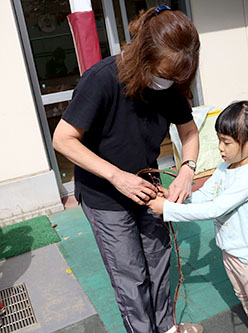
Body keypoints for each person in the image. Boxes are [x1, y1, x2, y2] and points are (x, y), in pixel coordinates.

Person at [52, 6, 202, 333]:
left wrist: (187, 170)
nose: (166, 83)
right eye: (162, 75)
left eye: (175, 78)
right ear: (143, 55)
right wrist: (117, 176)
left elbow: (189, 132)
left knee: (159, 264)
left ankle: (166, 328)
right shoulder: (102, 80)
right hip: (104, 195)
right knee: (131, 276)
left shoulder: (172, 85)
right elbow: (63, 140)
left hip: (148, 188)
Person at [148, 101, 248, 333]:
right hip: (230, 252)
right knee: (245, 300)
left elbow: (215, 209)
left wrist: (168, 211)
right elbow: (203, 197)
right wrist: (172, 198)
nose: (220, 147)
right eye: (219, 139)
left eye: (226, 142)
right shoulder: (225, 168)